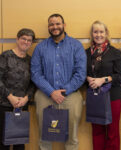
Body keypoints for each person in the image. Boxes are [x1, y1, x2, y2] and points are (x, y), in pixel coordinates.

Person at [31, 13, 87, 150]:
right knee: (45, 134)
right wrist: (51, 92)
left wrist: (65, 90)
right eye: (51, 24)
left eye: (57, 23)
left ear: (64, 25)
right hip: (45, 93)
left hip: (71, 93)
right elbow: (35, 73)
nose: (54, 27)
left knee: (72, 135)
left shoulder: (76, 45)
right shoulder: (40, 47)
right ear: (48, 27)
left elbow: (81, 73)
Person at [86, 21, 121, 150]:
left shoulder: (115, 52)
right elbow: (80, 73)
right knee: (97, 132)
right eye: (95, 32)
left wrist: (103, 80)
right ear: (92, 34)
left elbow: (120, 76)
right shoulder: (86, 53)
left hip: (112, 97)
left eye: (101, 32)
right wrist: (87, 78)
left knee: (113, 133)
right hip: (94, 97)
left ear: (106, 33)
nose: (98, 35)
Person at [0, 28, 36, 150]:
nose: (26, 42)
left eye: (29, 40)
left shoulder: (31, 61)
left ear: (31, 43)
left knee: (19, 142)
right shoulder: (6, 56)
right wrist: (10, 97)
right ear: (17, 39)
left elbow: (33, 84)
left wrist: (26, 98)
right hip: (4, 104)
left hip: (22, 106)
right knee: (3, 141)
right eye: (23, 39)